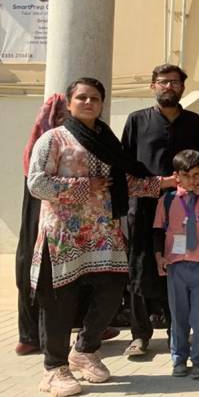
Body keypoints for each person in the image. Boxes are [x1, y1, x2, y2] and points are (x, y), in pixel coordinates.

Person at [28, 78, 175, 396]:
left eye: (95, 97)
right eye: (81, 97)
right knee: (59, 304)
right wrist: (83, 186)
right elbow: (36, 183)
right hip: (64, 236)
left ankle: (84, 350)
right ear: (69, 103)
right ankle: (54, 369)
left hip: (104, 234)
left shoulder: (109, 143)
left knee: (111, 292)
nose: (88, 102)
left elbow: (127, 184)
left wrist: (165, 183)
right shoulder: (54, 140)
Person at [121, 64, 199, 358]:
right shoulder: (137, 120)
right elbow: (125, 167)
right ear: (153, 86)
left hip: (183, 208)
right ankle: (139, 334)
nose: (169, 87)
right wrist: (155, 185)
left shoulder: (193, 121)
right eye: (163, 82)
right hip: (146, 206)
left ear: (183, 88)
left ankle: (178, 330)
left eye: (175, 83)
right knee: (140, 265)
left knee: (179, 264)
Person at [153, 150, 199, 379]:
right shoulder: (167, 200)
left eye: (197, 174)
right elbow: (157, 230)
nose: (193, 180)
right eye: (187, 175)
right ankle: (179, 359)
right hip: (175, 265)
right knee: (179, 316)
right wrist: (158, 257)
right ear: (177, 177)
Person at [17, 93, 68, 356]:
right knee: (38, 269)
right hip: (44, 215)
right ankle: (32, 336)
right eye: (58, 116)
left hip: (59, 215)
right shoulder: (45, 145)